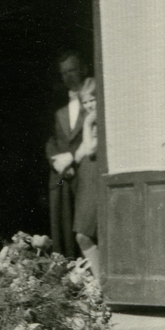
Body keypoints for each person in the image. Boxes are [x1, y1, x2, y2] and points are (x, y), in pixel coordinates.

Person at [45, 50, 86, 256]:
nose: (68, 76)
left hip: (84, 173)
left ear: (82, 70)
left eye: (72, 70)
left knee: (85, 231)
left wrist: (72, 160)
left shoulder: (92, 101)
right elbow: (49, 139)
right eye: (63, 73)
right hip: (61, 175)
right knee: (63, 231)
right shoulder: (58, 106)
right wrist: (57, 162)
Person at [72, 77, 100, 278]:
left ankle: (101, 283)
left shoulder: (98, 122)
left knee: (84, 235)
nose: (89, 106)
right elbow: (77, 155)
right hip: (87, 184)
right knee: (82, 236)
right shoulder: (92, 124)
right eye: (85, 102)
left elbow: (89, 150)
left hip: (95, 183)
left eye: (93, 100)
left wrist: (88, 124)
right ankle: (100, 282)